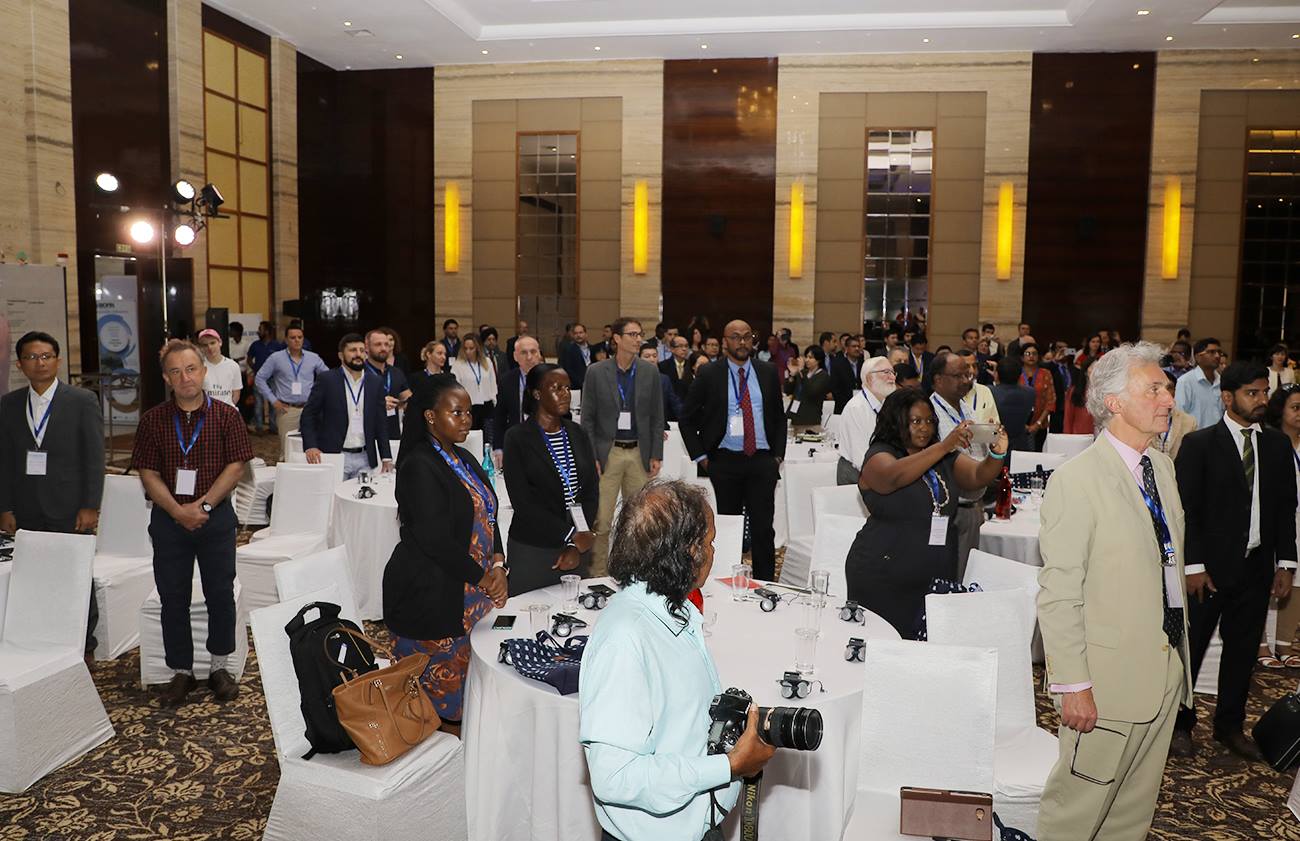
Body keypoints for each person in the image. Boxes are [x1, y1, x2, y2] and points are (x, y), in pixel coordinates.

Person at [1036, 341, 1193, 840]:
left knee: (1131, 815)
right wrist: (1073, 685)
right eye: (1154, 389)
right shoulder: (1076, 480)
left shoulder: (1160, 468)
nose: (1168, 399)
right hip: (1104, 682)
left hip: (1163, 667)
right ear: (1114, 402)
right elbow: (1059, 593)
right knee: (1074, 814)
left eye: (1167, 388)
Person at [579, 481, 775, 841]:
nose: (713, 551)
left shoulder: (672, 610)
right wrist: (729, 766)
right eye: (710, 542)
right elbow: (615, 777)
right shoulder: (625, 638)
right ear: (688, 550)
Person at [1172, 361, 1297, 761]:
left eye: (1264, 392)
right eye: (1252, 393)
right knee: (1190, 650)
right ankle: (1179, 724)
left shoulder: (1277, 446)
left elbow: (1285, 509)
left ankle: (1229, 727)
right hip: (1207, 572)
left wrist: (1286, 563)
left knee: (1242, 653)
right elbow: (1186, 511)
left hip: (1256, 567)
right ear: (1227, 397)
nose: (1261, 400)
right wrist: (1193, 566)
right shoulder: (1200, 445)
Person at [382, 374, 507, 733]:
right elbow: (434, 541)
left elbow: (489, 513)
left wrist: (499, 565)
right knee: (439, 709)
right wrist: (486, 579)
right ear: (430, 416)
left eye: (468, 412)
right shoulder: (419, 465)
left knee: (473, 698)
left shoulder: (463, 457)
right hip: (434, 596)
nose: (466, 420)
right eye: (456, 413)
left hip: (473, 592)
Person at [133, 340, 253, 706]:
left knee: (220, 594)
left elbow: (236, 466)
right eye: (176, 371)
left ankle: (219, 667)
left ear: (203, 372)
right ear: (166, 379)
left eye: (191, 369)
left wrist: (204, 505)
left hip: (216, 520)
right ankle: (181, 671)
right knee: (173, 597)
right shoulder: (152, 420)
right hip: (169, 522)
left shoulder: (227, 416)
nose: (185, 377)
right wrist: (177, 511)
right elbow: (147, 472)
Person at [848, 388, 1008, 638]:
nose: (925, 428)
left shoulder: (943, 457)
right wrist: (944, 446)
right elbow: (892, 477)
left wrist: (997, 453)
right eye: (916, 421)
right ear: (897, 421)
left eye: (930, 421)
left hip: (934, 572)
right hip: (884, 573)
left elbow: (978, 476)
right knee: (884, 646)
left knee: (925, 651)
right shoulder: (879, 455)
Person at [0, 330, 105, 660]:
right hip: (26, 507)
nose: (40, 363)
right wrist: (4, 506)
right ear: (20, 364)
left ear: (58, 361)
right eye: (31, 357)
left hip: (70, 507)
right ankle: (45, 637)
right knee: (35, 575)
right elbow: (4, 460)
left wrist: (90, 505)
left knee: (75, 574)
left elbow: (94, 458)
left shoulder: (82, 401)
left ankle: (85, 644)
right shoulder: (9, 404)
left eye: (46, 356)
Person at [680, 319, 787, 581]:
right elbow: (686, 418)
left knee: (763, 528)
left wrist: (777, 457)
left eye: (747, 336)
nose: (742, 342)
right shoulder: (709, 373)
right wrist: (703, 458)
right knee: (728, 527)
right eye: (736, 337)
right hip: (724, 462)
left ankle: (764, 584)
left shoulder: (767, 371)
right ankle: (727, 583)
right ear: (725, 342)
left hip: (762, 461)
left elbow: (779, 417)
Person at [580, 318, 665, 577]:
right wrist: (591, 456)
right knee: (602, 519)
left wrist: (656, 454)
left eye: (640, 334)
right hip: (608, 452)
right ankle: (597, 575)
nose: (638, 339)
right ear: (616, 338)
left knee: (638, 519)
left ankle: (635, 573)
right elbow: (587, 419)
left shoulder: (649, 372)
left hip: (639, 452)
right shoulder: (596, 372)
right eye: (632, 334)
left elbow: (657, 416)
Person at [504, 364, 598, 596]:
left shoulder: (578, 433)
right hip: (533, 548)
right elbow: (522, 503)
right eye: (556, 388)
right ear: (537, 394)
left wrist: (577, 541)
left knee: (575, 610)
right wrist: (569, 535)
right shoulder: (517, 438)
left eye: (567, 388)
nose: (565, 393)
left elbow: (590, 490)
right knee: (528, 611)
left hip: (576, 546)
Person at [928, 351, 997, 580]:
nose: (966, 380)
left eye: (968, 375)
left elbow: (976, 449)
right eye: (958, 376)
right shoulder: (930, 413)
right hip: (951, 509)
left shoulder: (964, 407)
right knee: (951, 577)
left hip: (973, 502)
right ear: (938, 379)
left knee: (968, 574)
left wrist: (992, 437)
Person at [299, 333, 393, 480]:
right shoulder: (327, 380)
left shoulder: (375, 382)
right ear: (341, 355)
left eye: (362, 350)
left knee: (363, 494)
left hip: (365, 458)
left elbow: (380, 421)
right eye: (353, 350)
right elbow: (308, 415)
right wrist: (311, 445)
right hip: (335, 455)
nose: (358, 354)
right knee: (333, 494)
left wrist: (386, 456)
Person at [1260, 384, 1300, 669]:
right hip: (1273, 520)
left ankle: (1285, 642)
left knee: (1296, 581)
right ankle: (1260, 642)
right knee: (1264, 578)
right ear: (1280, 411)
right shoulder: (1269, 442)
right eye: (1295, 408)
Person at [254, 322, 328, 459]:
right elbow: (259, 378)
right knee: (288, 450)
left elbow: (327, 378)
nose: (297, 340)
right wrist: (273, 400)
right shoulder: (276, 358)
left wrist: (320, 399)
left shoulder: (313, 358)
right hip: (287, 410)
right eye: (293, 337)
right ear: (286, 340)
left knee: (313, 447)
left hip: (310, 409)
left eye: (300, 337)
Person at [837, 357, 897, 485]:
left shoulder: (888, 404)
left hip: (880, 470)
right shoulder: (856, 408)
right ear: (869, 378)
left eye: (893, 372)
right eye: (886, 372)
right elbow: (860, 456)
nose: (892, 377)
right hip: (857, 474)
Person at [492, 335, 543, 463]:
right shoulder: (507, 380)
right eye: (524, 353)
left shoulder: (551, 378)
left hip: (545, 443)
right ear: (515, 356)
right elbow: (500, 417)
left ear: (539, 354)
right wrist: (498, 448)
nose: (529, 357)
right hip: (516, 444)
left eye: (533, 352)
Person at [364, 327, 413, 441]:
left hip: (392, 434)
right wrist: (379, 403)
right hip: (368, 436)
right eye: (378, 344)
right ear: (367, 347)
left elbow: (408, 399)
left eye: (386, 344)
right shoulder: (360, 372)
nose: (383, 348)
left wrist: (405, 403)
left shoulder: (396, 372)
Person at [1175, 337, 1225, 430]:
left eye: (1219, 352)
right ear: (1197, 357)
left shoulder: (1222, 381)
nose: (1217, 356)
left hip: (1218, 435)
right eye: (1211, 352)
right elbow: (1179, 414)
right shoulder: (1186, 381)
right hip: (1195, 436)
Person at [450, 334, 497, 433]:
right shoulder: (458, 365)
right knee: (472, 435)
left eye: (471, 348)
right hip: (469, 406)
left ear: (477, 348)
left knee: (488, 436)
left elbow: (493, 383)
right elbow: (455, 388)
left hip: (487, 405)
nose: (468, 351)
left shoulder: (487, 362)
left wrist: (494, 400)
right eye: (465, 348)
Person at [783, 345, 833, 434]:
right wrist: (792, 374)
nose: (807, 360)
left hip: (810, 420)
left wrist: (801, 372)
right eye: (806, 357)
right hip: (794, 417)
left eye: (810, 357)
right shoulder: (803, 373)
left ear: (818, 360)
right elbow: (788, 390)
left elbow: (811, 391)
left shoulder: (823, 375)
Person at [246, 321, 285, 433]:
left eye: (260, 329)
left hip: (273, 378)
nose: (258, 331)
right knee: (258, 403)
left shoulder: (277, 345)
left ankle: (273, 427)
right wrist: (255, 369)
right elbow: (249, 359)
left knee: (273, 402)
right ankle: (259, 427)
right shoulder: (255, 345)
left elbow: (282, 361)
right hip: (259, 378)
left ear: (267, 331)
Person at [992, 357, 1036, 453]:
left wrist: (996, 379)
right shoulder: (1030, 392)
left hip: (997, 445)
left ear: (997, 374)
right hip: (1022, 445)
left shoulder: (990, 391)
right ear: (1020, 375)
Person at [1019, 341, 1055, 449]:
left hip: (1040, 422)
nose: (1031, 356)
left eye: (1034, 353)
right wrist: (1021, 424)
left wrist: (1038, 423)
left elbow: (1051, 400)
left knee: (1038, 453)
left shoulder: (1046, 373)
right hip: (1019, 422)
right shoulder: (1017, 373)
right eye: (1027, 353)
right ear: (1022, 357)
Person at [1152, 373, 1196, 459]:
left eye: (1169, 388)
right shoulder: (1140, 418)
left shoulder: (1189, 422)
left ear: (1175, 391)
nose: (1165, 392)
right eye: (1159, 388)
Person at [195, 328, 242, 407]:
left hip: (228, 412)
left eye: (212, 343)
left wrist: (227, 410)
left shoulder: (233, 366)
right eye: (205, 345)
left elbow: (236, 394)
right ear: (201, 348)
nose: (209, 347)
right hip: (206, 412)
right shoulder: (198, 367)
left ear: (220, 342)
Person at [642, 342, 682, 422]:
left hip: (660, 423)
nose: (652, 360)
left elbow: (675, 403)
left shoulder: (664, 379)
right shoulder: (633, 378)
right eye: (647, 356)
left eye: (655, 356)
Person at [830, 335, 866, 411]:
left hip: (860, 405)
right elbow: (835, 387)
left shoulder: (864, 364)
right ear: (846, 348)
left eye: (858, 346)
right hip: (843, 405)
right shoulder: (838, 365)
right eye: (854, 346)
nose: (857, 349)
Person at [1063, 356, 1097, 436]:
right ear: (1085, 372)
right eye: (1093, 367)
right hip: (1080, 435)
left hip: (1100, 435)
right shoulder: (1075, 391)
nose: (1096, 371)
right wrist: (1067, 437)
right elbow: (1068, 417)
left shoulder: (1105, 391)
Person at [659, 334, 694, 406]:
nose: (684, 349)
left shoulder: (692, 366)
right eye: (680, 346)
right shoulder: (662, 366)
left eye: (686, 346)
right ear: (672, 349)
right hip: (669, 406)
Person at [560, 322, 594, 390]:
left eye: (580, 333)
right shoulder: (568, 350)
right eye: (575, 333)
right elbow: (567, 369)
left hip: (592, 386)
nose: (578, 335)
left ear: (586, 334)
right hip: (576, 387)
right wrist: (581, 383)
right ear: (573, 335)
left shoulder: (593, 349)